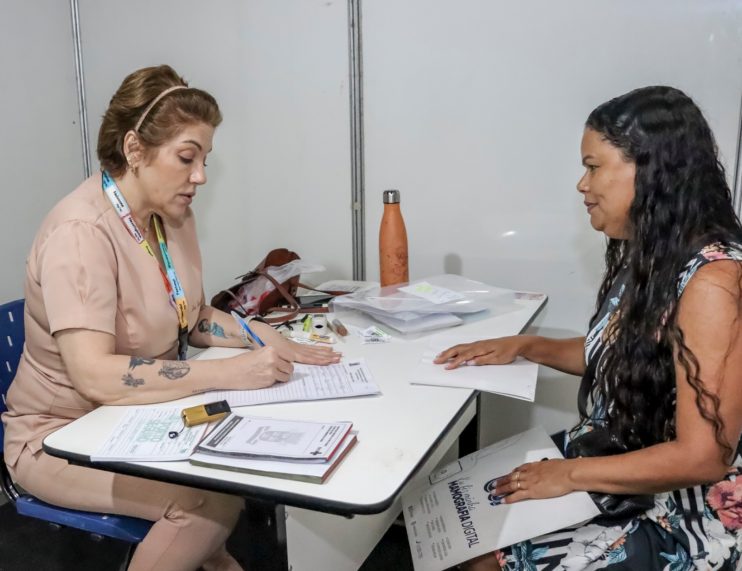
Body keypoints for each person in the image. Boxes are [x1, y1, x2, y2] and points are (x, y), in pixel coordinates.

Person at [2, 64, 340, 571]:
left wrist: (255, 332)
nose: (200, 175)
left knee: (237, 469)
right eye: (187, 157)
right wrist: (227, 372)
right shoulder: (80, 233)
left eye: (204, 158)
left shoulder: (168, 213)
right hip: (59, 437)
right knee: (207, 505)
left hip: (133, 415)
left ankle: (208, 560)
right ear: (135, 150)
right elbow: (93, 373)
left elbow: (188, 315)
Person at [435, 86, 742, 570]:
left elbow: (704, 457)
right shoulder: (653, 251)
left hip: (679, 508)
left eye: (594, 166)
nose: (583, 184)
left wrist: (571, 475)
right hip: (616, 457)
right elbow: (626, 356)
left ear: (650, 168)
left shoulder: (713, 282)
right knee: (457, 499)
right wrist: (526, 346)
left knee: (480, 558)